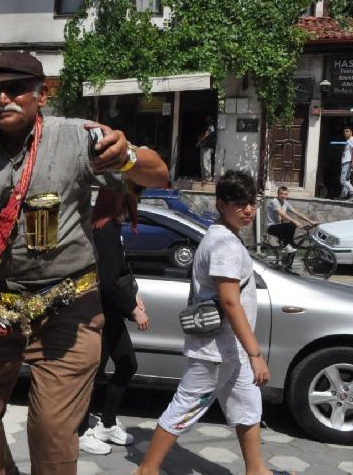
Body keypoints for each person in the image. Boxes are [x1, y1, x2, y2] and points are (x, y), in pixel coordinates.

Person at [0, 52, 169, 475]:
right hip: (1, 301)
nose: (4, 98)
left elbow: (158, 173)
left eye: (15, 89)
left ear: (41, 94)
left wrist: (125, 156)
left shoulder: (76, 138)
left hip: (69, 307)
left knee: (50, 430)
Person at [134, 170, 292, 475]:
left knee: (248, 407)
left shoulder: (222, 237)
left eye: (253, 203)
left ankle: (257, 470)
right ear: (221, 204)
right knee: (186, 406)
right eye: (240, 203)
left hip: (232, 351)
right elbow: (230, 302)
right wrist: (256, 353)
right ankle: (147, 470)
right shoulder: (225, 246)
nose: (248, 210)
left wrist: (248, 354)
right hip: (216, 351)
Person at [79, 186, 150, 456]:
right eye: (134, 197)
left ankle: (106, 423)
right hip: (101, 313)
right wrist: (133, 309)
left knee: (127, 363)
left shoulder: (112, 228)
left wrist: (135, 295)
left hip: (112, 313)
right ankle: (81, 430)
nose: (137, 203)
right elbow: (107, 281)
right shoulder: (104, 230)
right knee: (91, 375)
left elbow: (121, 271)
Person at [265, 185, 317, 252]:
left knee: (292, 248)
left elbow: (297, 213)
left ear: (287, 195)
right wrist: (294, 221)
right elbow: (282, 214)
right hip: (271, 227)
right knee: (291, 225)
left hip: (280, 227)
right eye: (281, 194)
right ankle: (288, 245)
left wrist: (310, 221)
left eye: (285, 194)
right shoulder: (274, 201)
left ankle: (287, 258)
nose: (283, 196)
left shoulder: (286, 203)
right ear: (277, 194)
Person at [340, 127, 353, 201]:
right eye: (344, 131)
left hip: (348, 162)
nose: (345, 133)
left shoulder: (352, 139)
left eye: (347, 131)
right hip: (346, 162)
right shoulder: (348, 141)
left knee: (343, 180)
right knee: (346, 180)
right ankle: (343, 196)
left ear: (351, 132)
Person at [196, 115, 216, 182]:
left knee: (206, 162)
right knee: (202, 162)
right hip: (204, 146)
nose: (207, 119)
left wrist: (199, 141)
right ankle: (203, 177)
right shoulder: (207, 126)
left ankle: (207, 178)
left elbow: (206, 134)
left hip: (207, 147)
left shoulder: (211, 126)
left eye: (208, 118)